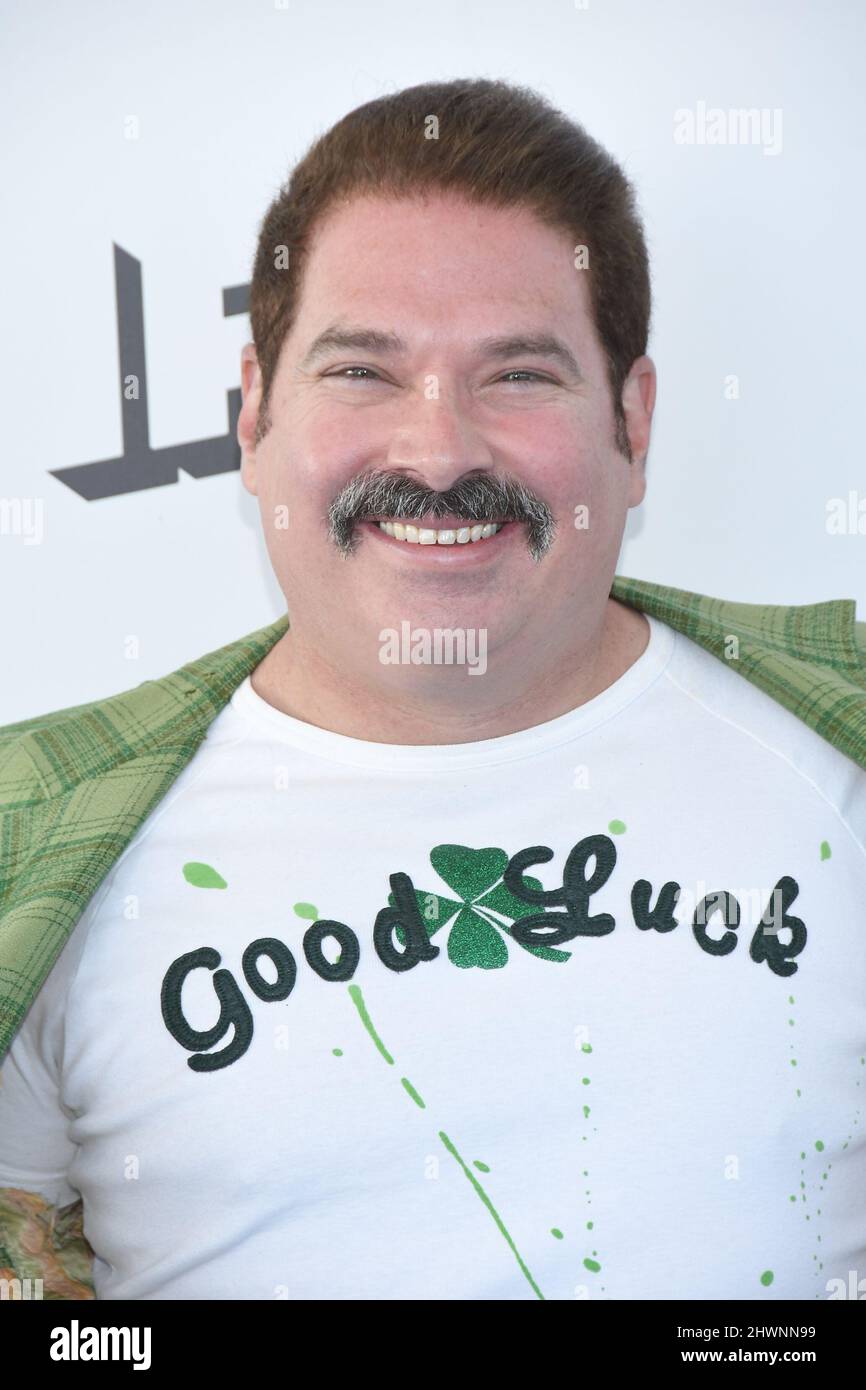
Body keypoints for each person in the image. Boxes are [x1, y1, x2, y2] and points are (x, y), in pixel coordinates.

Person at [1, 77, 865, 1303]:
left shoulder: (832, 763)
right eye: (361, 370)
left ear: (632, 418)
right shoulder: (34, 835)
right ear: (252, 414)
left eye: (518, 374)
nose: (441, 450)